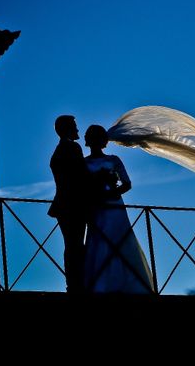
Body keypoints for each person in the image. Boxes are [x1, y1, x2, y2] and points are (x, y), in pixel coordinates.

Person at [83, 124, 154, 293]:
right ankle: (100, 282)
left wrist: (112, 192)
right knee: (99, 238)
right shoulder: (83, 163)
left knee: (119, 237)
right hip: (96, 205)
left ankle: (127, 282)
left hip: (114, 204)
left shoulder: (113, 160)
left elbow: (127, 183)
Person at [48, 115, 89, 293]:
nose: (78, 130)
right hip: (73, 204)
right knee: (75, 246)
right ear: (67, 129)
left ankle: (74, 283)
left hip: (63, 205)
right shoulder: (72, 147)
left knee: (72, 245)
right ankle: (76, 284)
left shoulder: (61, 149)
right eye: (75, 126)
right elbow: (82, 176)